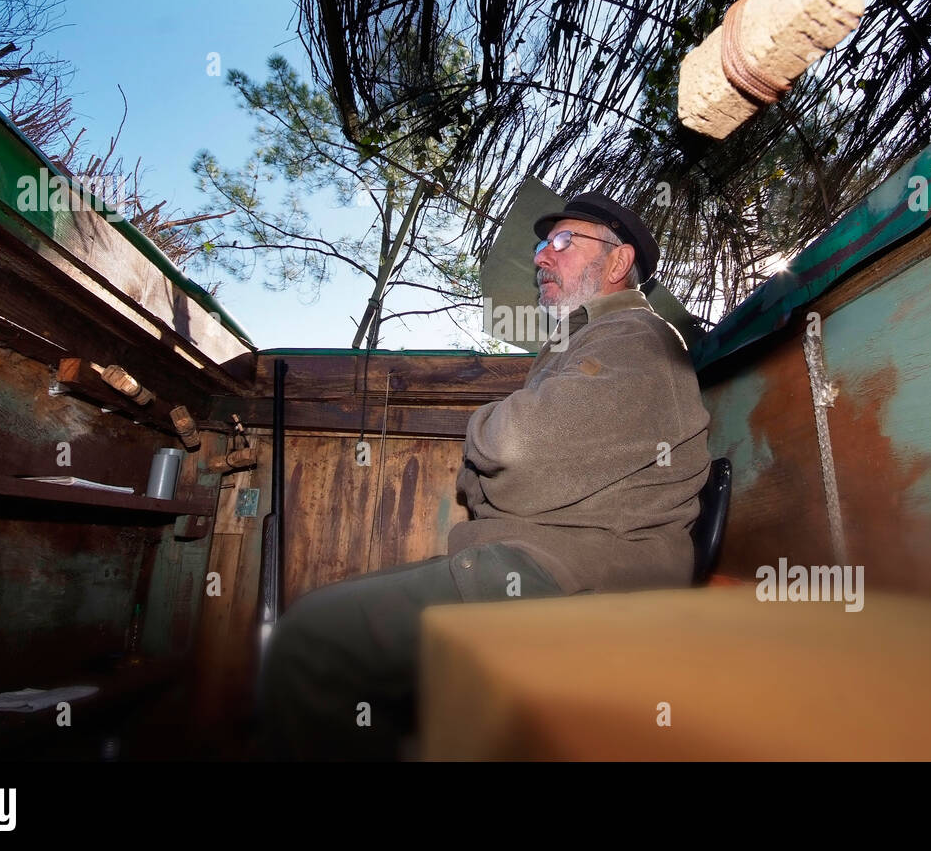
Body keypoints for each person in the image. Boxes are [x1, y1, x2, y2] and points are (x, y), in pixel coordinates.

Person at [258, 192, 711, 760]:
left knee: (313, 637)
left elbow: (513, 448)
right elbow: (492, 478)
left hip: (576, 579)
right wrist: (499, 467)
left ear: (618, 263)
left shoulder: (635, 338)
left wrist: (487, 439)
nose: (543, 257)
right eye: (543, 244)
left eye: (564, 242)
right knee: (331, 614)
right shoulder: (579, 344)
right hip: (533, 560)